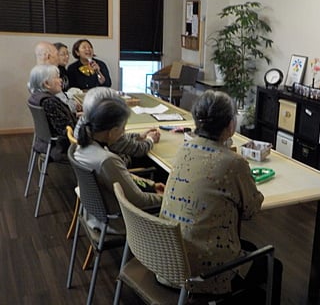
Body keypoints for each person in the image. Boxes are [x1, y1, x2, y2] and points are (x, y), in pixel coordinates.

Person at [159, 90, 282, 303]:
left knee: (247, 248)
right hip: (202, 276)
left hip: (166, 262)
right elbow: (251, 210)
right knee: (273, 266)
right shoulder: (233, 163)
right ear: (231, 125)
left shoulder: (184, 149)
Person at [74, 96, 162, 232]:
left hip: (96, 216)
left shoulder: (82, 148)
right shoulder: (106, 160)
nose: (124, 132)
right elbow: (139, 201)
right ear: (112, 132)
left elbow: (121, 178)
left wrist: (150, 185)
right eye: (123, 128)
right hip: (119, 220)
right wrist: (167, 199)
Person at [74, 87, 162, 169]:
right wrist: (151, 139)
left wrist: (138, 135)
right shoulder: (107, 134)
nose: (123, 130)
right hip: (121, 166)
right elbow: (138, 149)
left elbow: (120, 138)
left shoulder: (86, 124)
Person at [28, 64, 77, 162]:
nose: (61, 81)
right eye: (57, 77)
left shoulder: (36, 97)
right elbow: (66, 129)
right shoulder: (49, 102)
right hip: (64, 146)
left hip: (46, 144)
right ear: (47, 83)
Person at [34, 41, 80, 114]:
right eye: (63, 54)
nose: (67, 57)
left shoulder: (63, 70)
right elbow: (61, 102)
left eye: (67, 54)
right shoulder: (49, 75)